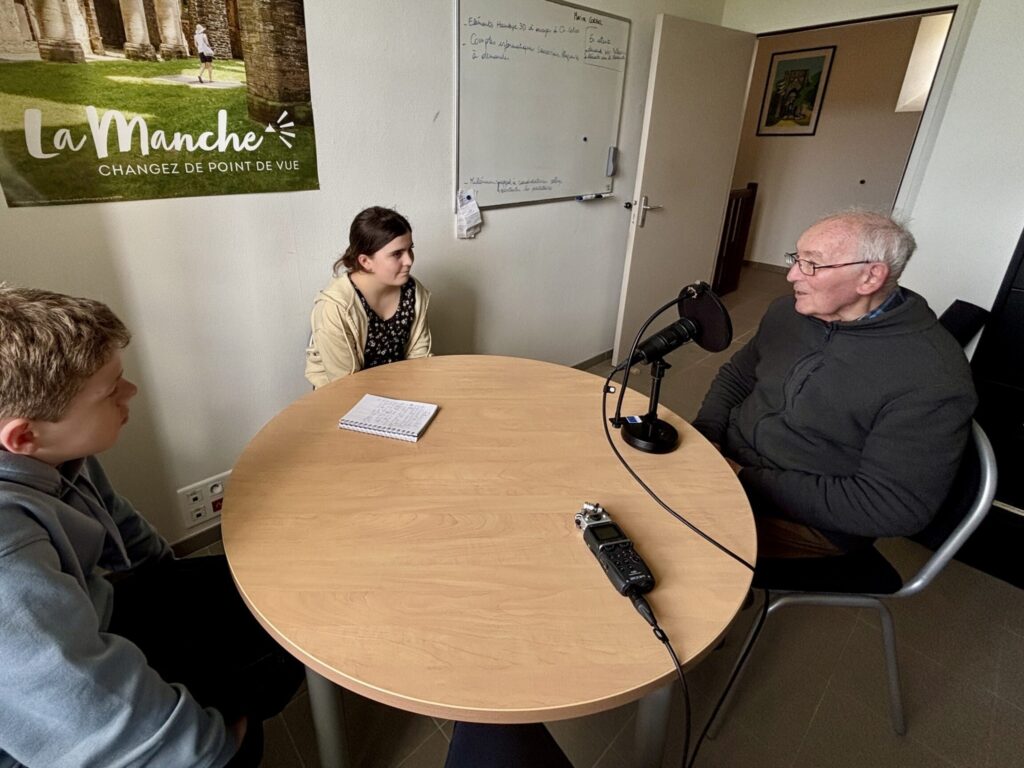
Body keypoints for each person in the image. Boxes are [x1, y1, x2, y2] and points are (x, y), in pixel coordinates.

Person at [0, 285, 303, 767]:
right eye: (110, 390)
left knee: (275, 597)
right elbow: (82, 713)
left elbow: (125, 527)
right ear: (24, 435)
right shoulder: (7, 561)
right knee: (236, 735)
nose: (131, 392)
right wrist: (217, 743)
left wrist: (169, 578)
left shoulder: (59, 451)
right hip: (53, 729)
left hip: (96, 611)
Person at [692, 210, 977, 559]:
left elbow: (892, 507)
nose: (792, 274)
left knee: (667, 539)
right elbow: (738, 376)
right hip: (730, 463)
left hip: (809, 517)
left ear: (871, 277)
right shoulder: (788, 313)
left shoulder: (933, 375)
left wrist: (743, 477)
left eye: (812, 264)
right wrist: (705, 436)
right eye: (796, 258)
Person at [305, 205, 432, 388]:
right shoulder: (334, 308)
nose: (409, 261)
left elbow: (420, 361)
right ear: (365, 261)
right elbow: (344, 384)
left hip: (402, 392)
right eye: (397, 254)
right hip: (343, 396)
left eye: (409, 249)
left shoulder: (414, 291)